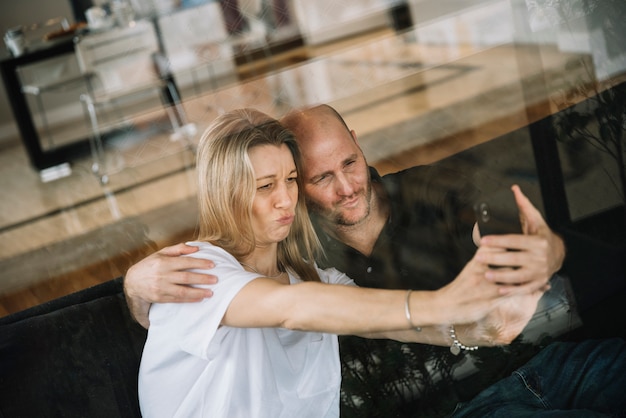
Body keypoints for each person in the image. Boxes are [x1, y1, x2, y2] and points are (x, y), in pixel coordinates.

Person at [128, 105, 626, 416]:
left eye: (290, 181)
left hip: (536, 371)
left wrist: (481, 330)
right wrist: (444, 301)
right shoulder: (196, 270)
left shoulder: (316, 274)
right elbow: (291, 309)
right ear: (227, 193)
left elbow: (387, 324)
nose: (284, 199)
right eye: (266, 186)